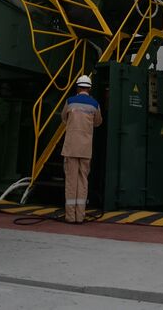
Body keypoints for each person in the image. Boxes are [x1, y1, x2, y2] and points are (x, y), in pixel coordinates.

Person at [61, 74, 102, 223]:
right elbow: (98, 122)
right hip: (85, 149)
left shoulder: (70, 101)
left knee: (71, 181)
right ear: (89, 89)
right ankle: (80, 216)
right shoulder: (94, 104)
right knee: (83, 181)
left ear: (78, 87)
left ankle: (70, 216)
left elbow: (64, 118)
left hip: (71, 147)